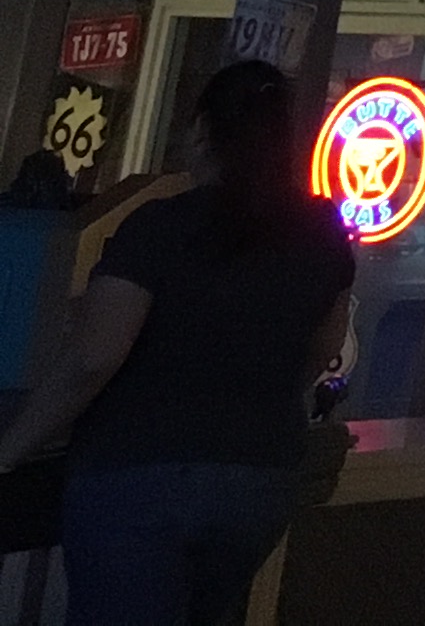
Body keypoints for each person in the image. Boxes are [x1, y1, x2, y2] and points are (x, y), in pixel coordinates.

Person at [0, 57, 355, 626]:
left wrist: (11, 448)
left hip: (140, 473)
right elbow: (322, 346)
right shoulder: (322, 232)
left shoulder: (159, 227)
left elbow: (93, 358)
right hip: (259, 479)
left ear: (203, 131)